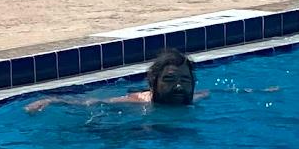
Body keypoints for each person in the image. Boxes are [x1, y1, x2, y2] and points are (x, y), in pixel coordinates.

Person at [26, 52, 198, 117]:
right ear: (153, 83)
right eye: (169, 80)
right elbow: (94, 103)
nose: (178, 87)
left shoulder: (194, 98)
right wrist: (52, 101)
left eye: (185, 81)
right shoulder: (137, 103)